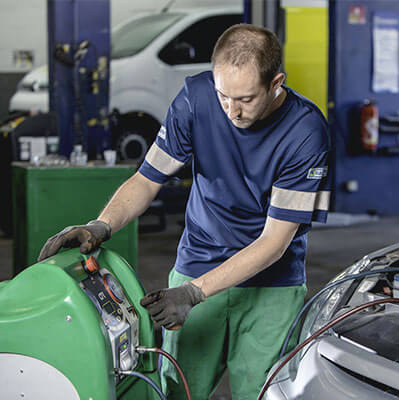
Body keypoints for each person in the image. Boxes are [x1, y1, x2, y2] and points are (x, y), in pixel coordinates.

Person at [38, 24, 331, 399]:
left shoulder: (306, 131)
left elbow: (274, 242)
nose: (232, 111)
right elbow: (147, 180)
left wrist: (193, 294)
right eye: (224, 95)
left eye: (245, 99)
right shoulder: (195, 97)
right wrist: (101, 224)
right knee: (177, 391)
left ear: (276, 83)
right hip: (199, 262)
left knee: (262, 393)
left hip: (271, 285)